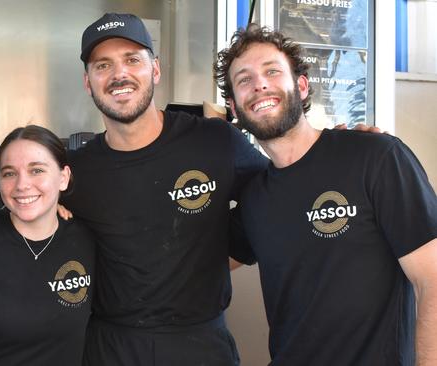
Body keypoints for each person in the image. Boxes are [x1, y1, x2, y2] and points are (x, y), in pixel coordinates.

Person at [215, 24, 437, 365]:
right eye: (243, 79)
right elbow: (198, 263)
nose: (259, 84)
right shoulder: (255, 198)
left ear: (301, 87)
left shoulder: (375, 157)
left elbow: (432, 279)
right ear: (234, 106)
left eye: (272, 71)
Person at [60, 13, 269, 366]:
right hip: (111, 347)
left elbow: (278, 193)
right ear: (88, 81)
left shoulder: (214, 141)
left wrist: (339, 148)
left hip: (200, 344)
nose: (118, 75)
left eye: (132, 60)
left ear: (155, 70)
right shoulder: (75, 171)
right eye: (103, 65)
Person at [0, 125, 96, 366]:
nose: (22, 184)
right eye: (9, 173)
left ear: (63, 178)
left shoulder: (86, 241)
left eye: (36, 170)